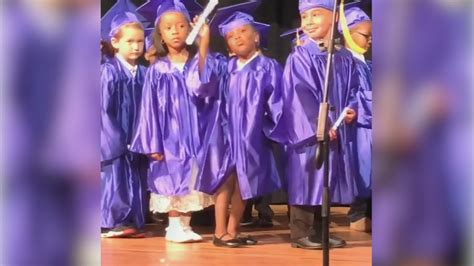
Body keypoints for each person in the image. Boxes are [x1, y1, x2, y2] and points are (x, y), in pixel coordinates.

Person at [130, 0, 224, 243]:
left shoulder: (196, 62)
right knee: (171, 177)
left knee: (191, 177)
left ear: (189, 29)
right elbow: (148, 109)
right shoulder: (158, 69)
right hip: (167, 135)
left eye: (181, 26)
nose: (175, 31)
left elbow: (202, 87)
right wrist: (152, 143)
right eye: (169, 27)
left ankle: (184, 224)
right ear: (160, 34)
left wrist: (204, 43)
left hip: (194, 132)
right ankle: (173, 226)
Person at [282, 0, 360, 249]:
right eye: (304, 16)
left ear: (335, 18)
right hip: (309, 133)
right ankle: (300, 233)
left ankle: (320, 231)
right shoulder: (301, 55)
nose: (308, 21)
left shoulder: (344, 57)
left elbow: (356, 90)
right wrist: (319, 125)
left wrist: (352, 110)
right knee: (307, 178)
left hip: (335, 129)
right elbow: (299, 95)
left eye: (316, 14)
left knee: (325, 181)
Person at [100, 11, 148, 238]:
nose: (136, 47)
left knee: (135, 175)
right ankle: (111, 221)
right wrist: (117, 139)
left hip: (137, 137)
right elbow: (101, 110)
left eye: (140, 41)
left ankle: (131, 219)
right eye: (129, 41)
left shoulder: (145, 74)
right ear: (115, 43)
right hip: (115, 139)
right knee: (114, 176)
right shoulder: (108, 72)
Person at [339, 6, 372, 232]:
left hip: (370, 124)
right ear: (348, 33)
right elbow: (348, 99)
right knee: (363, 169)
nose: (370, 41)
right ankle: (359, 213)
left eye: (372, 36)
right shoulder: (345, 62)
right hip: (357, 129)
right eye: (365, 35)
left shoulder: (366, 64)